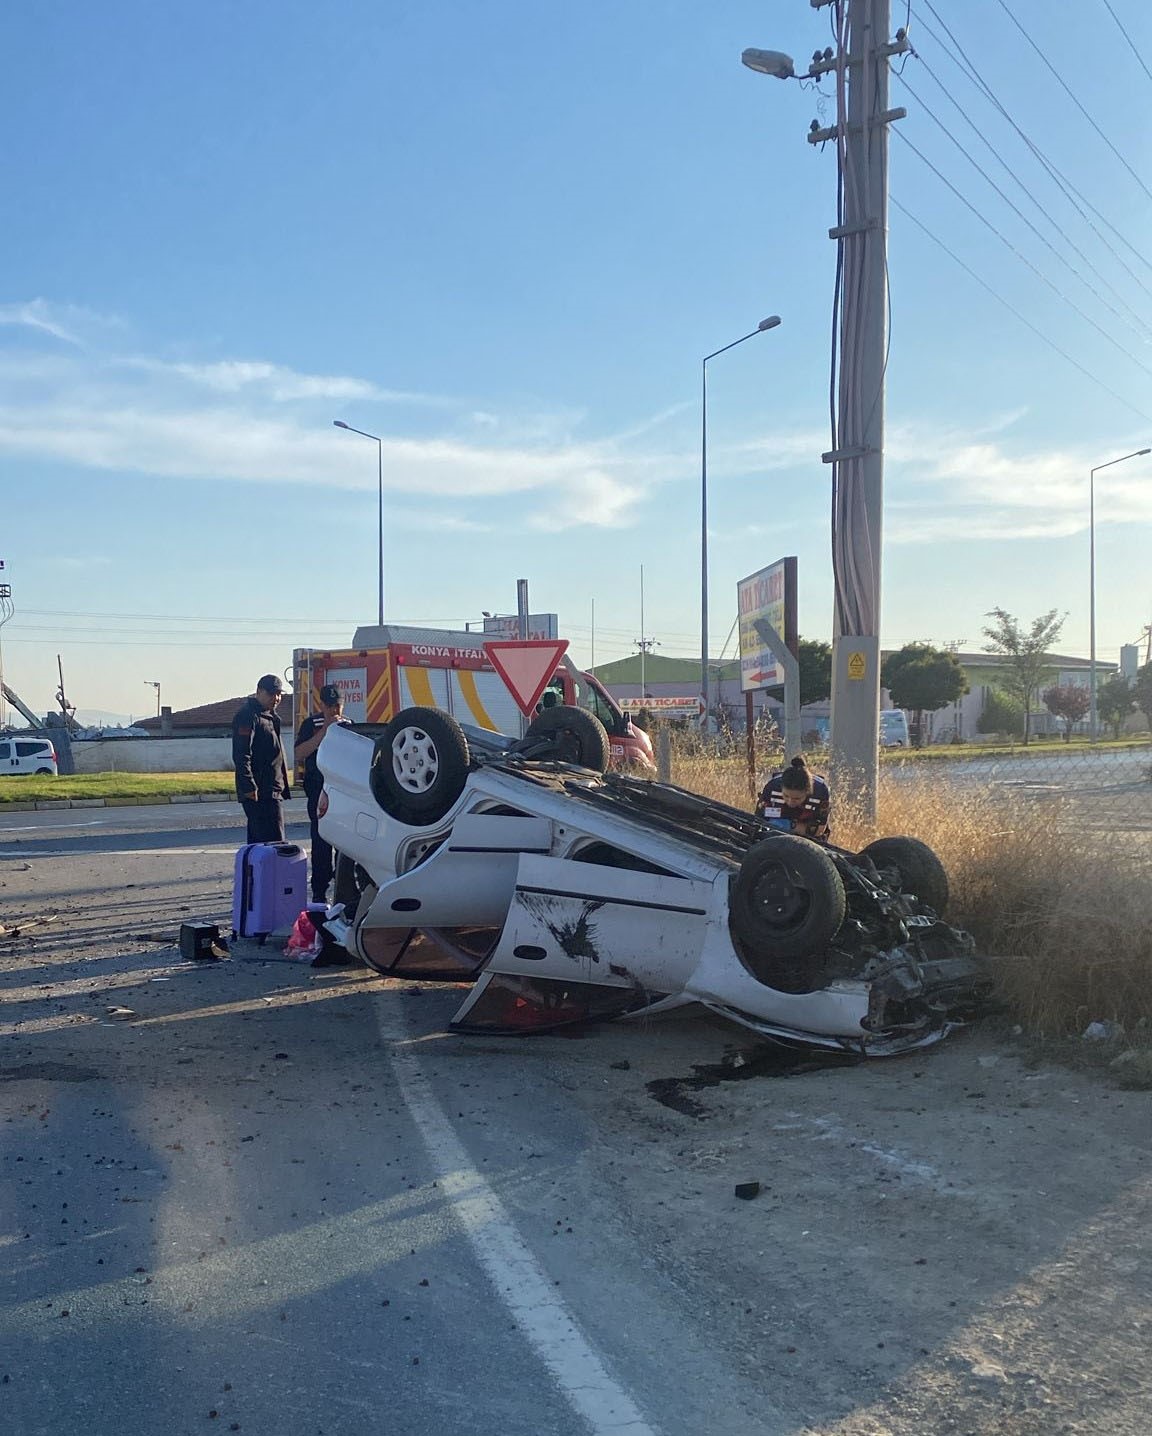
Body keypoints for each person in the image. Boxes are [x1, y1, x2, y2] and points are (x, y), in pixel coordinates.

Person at [294, 682, 351, 904]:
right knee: (320, 841)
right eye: (329, 706)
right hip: (318, 789)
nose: (333, 711)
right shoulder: (312, 724)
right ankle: (319, 889)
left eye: (337, 706)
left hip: (343, 791)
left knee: (345, 842)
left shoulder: (349, 725)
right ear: (322, 706)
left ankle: (345, 889)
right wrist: (323, 733)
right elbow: (299, 753)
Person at [231, 675, 291, 843]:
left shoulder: (270, 716)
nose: (276, 698)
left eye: (279, 694)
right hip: (259, 792)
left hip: (272, 789)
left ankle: (256, 870)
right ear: (259, 692)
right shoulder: (248, 716)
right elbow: (242, 754)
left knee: (262, 844)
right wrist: (248, 785)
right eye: (272, 693)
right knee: (274, 845)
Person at [757, 754, 831, 840]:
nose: (790, 802)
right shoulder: (772, 788)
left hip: (809, 837)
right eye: (786, 796)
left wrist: (790, 826)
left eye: (797, 799)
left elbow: (819, 830)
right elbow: (759, 820)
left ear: (807, 793)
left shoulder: (820, 792)